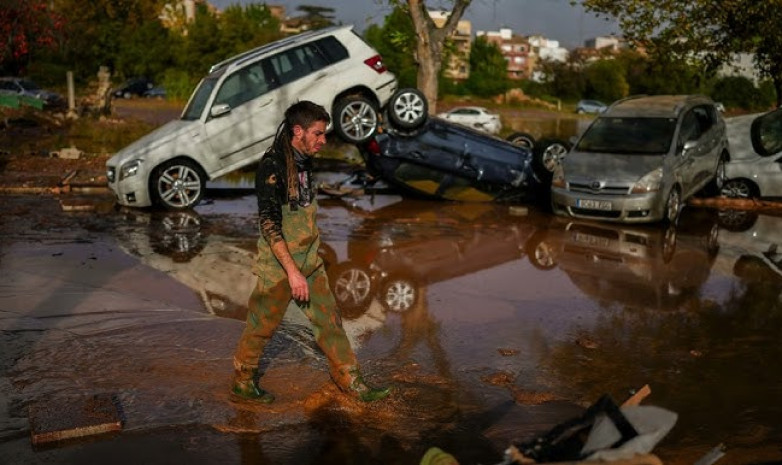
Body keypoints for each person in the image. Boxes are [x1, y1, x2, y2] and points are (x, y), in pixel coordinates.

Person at [231, 101, 390, 403]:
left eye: (324, 134)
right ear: (298, 131)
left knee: (329, 321)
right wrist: (292, 273)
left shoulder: (304, 161)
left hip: (310, 260)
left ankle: (350, 380)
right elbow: (269, 224)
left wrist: (310, 263)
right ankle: (243, 380)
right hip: (279, 266)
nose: (323, 140)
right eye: (318, 134)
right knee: (261, 326)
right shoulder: (273, 166)